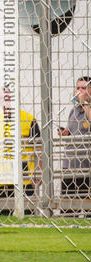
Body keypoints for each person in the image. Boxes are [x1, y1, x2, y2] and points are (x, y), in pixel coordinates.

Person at [0, 86, 40, 216]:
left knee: (28, 216)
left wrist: (39, 173)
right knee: (1, 218)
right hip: (2, 180)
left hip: (24, 178)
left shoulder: (29, 119)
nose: (6, 102)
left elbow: (39, 149)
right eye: (3, 98)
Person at [59, 76, 91, 214]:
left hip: (86, 168)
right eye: (78, 88)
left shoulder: (87, 109)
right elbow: (74, 132)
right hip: (70, 166)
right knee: (68, 209)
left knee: (87, 207)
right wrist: (66, 133)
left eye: (83, 88)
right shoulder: (73, 111)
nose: (79, 91)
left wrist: (85, 104)